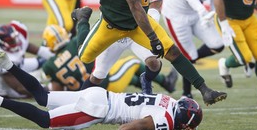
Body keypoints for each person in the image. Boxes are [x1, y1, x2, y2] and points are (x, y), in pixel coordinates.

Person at [77, 0, 227, 105]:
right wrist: (153, 38)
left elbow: (146, 8)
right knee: (86, 59)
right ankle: (82, 20)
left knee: (172, 51)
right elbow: (135, 6)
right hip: (112, 25)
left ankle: (205, 90)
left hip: (136, 24)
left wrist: (153, 35)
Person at [0, 51, 203, 130]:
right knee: (45, 120)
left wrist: (144, 127)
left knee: (42, 97)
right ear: (182, 118)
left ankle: (8, 64)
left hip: (100, 94)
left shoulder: (170, 101)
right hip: (99, 110)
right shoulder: (168, 119)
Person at [84, 0, 177, 94]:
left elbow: (153, 13)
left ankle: (147, 85)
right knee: (98, 74)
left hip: (136, 32)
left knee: (153, 63)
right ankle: (78, 101)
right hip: (113, 32)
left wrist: (147, 28)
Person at [41, 8, 176, 93]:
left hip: (88, 85)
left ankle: (148, 87)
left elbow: (57, 90)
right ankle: (165, 83)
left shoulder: (50, 66)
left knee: (117, 68)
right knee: (132, 63)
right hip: (107, 84)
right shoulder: (73, 43)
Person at [161, 0, 225, 99]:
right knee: (189, 56)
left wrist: (215, 14)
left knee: (217, 44)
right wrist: (202, 11)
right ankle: (186, 94)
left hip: (197, 14)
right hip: (177, 15)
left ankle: (182, 63)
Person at [0, 20, 54, 99]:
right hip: (5, 88)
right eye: (11, 41)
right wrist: (46, 90)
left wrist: (54, 55)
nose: (15, 41)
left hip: (18, 65)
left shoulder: (17, 36)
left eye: (15, 38)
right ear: (2, 43)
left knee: (43, 61)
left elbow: (27, 46)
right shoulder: (0, 59)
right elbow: (20, 88)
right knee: (37, 91)